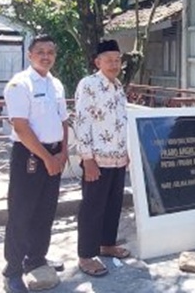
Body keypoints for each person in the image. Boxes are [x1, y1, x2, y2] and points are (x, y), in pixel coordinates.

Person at [2, 34, 68, 293]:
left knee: (45, 211)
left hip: (54, 155)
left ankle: (37, 259)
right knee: (21, 214)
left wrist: (63, 152)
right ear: (30, 55)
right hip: (30, 156)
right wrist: (47, 158)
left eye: (50, 52)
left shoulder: (57, 84)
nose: (46, 56)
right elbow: (21, 127)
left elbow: (63, 119)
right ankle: (13, 270)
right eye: (40, 51)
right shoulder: (20, 84)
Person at [73, 39, 131, 277]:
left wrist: (127, 151)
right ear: (98, 62)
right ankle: (86, 255)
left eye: (117, 60)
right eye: (109, 60)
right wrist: (87, 159)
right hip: (96, 159)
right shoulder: (89, 85)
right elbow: (82, 122)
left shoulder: (118, 86)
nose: (114, 64)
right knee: (92, 208)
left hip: (118, 159)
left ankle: (107, 244)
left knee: (113, 205)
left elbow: (123, 121)